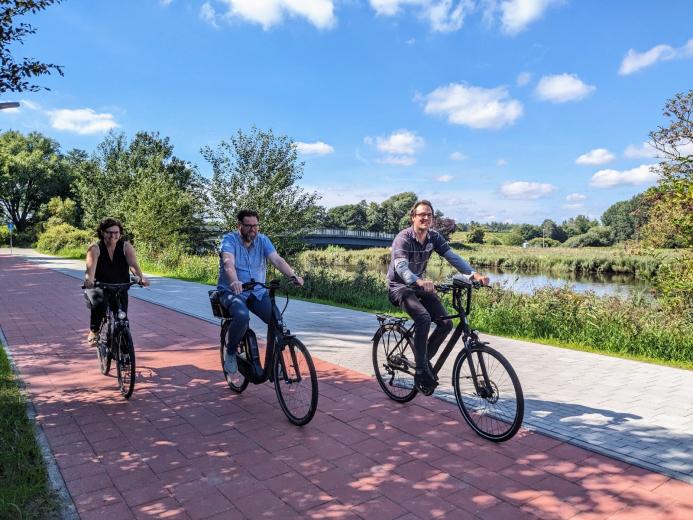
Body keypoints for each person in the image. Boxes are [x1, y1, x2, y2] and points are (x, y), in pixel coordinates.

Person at [387, 200, 489, 390]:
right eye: (421, 215)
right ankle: (421, 370)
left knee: (446, 323)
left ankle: (423, 360)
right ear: (413, 217)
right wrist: (418, 281)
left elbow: (453, 257)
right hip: (399, 287)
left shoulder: (434, 237)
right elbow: (400, 267)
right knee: (423, 318)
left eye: (429, 215)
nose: (426, 218)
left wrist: (474, 275)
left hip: (419, 286)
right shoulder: (403, 238)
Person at [217, 209, 304, 373]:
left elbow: (277, 259)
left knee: (277, 321)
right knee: (242, 316)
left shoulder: (263, 240)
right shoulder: (229, 240)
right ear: (239, 226)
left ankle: (276, 360)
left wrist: (293, 276)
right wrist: (235, 280)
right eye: (248, 226)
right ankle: (230, 353)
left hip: (257, 292)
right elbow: (228, 262)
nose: (253, 230)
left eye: (255, 226)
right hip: (232, 291)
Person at [83, 218, 149, 343]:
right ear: (102, 232)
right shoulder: (95, 248)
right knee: (100, 304)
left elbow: (133, 265)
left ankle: (125, 352)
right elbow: (90, 271)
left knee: (123, 319)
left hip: (120, 286)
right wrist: (89, 280)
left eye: (116, 232)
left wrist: (141, 278)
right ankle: (94, 330)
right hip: (100, 286)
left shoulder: (126, 247)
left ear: (120, 233)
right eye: (109, 232)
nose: (113, 235)